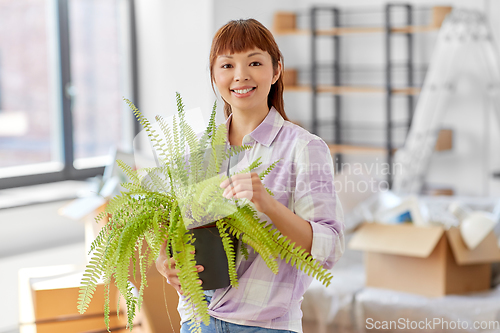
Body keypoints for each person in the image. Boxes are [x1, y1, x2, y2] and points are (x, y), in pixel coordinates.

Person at [156, 18, 345, 333]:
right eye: (227, 65)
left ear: (276, 71)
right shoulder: (197, 152)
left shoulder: (305, 148)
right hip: (197, 319)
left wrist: (267, 204)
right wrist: (164, 260)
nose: (240, 75)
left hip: (265, 326)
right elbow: (170, 223)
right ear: (215, 77)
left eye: (254, 62)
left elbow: (330, 247)